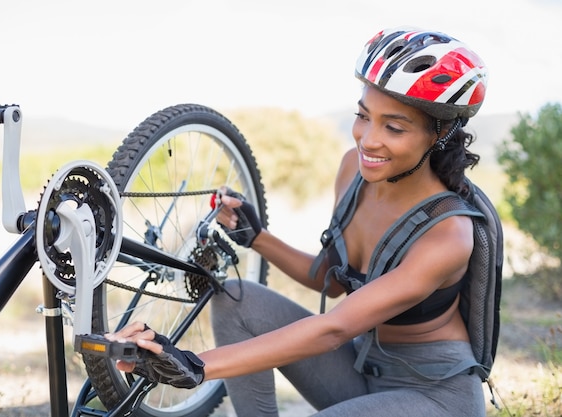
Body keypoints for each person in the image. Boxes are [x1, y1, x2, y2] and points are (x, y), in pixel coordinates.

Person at [106, 26, 490, 416]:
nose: (368, 140)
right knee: (237, 300)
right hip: (360, 372)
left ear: (440, 134)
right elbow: (331, 279)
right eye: (363, 116)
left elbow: (335, 327)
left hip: (434, 397)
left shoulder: (447, 233)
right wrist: (256, 237)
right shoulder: (353, 173)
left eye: (393, 127)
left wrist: (195, 365)